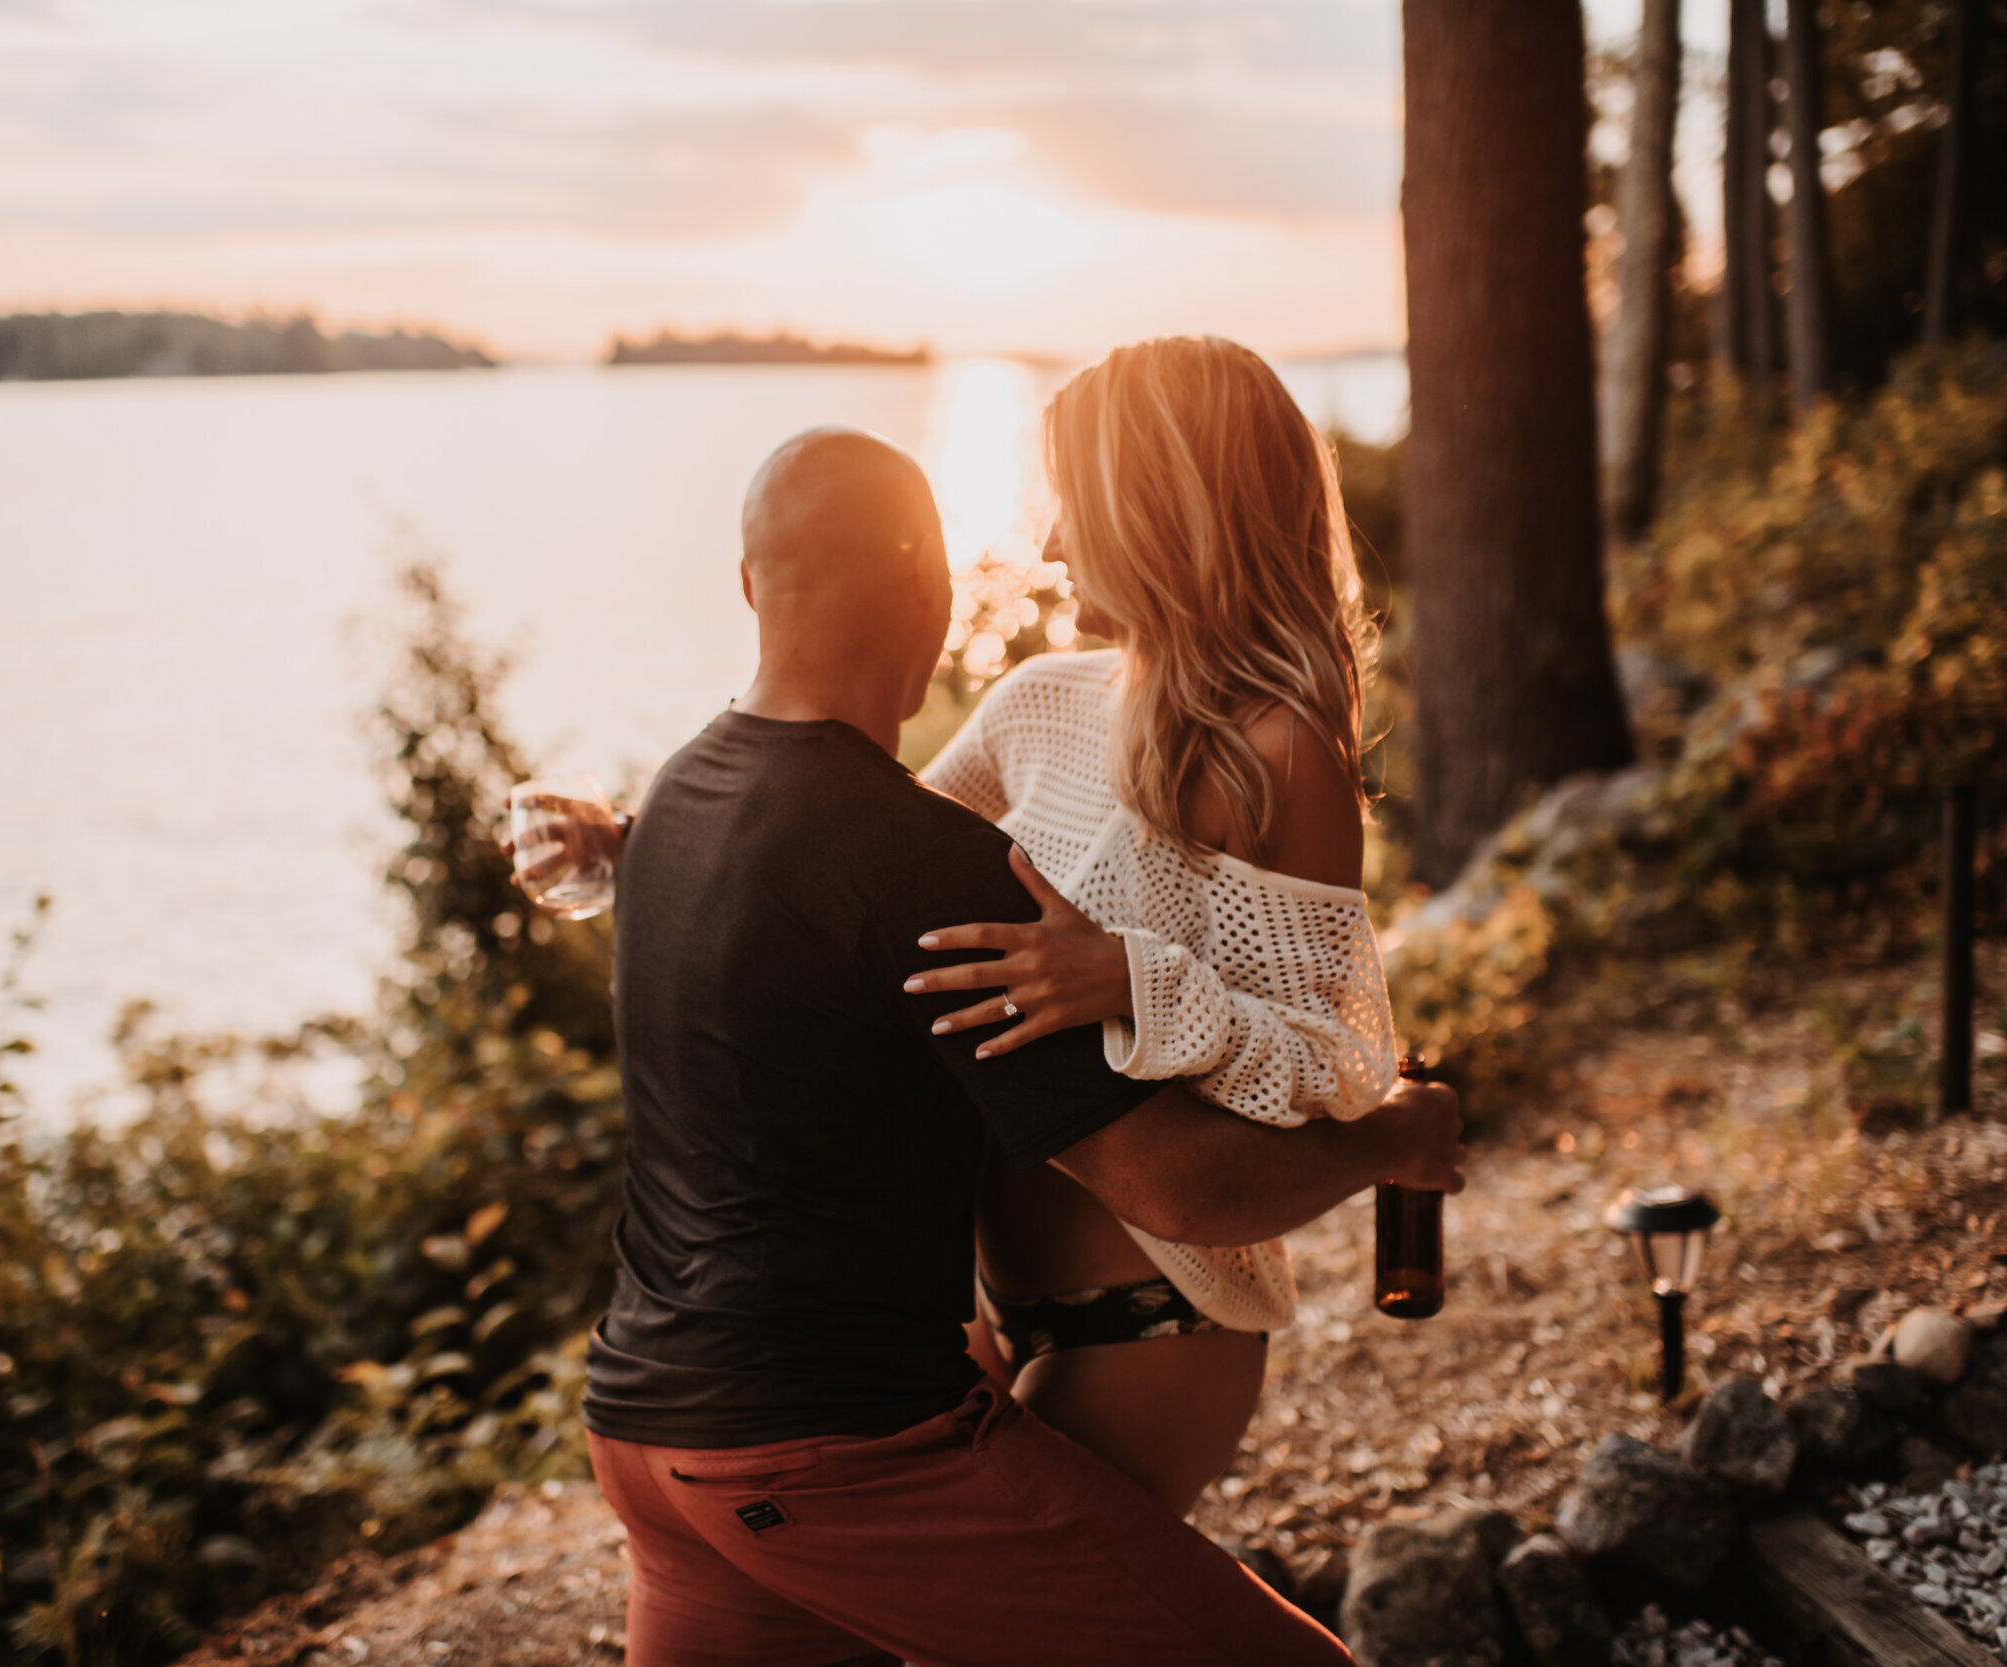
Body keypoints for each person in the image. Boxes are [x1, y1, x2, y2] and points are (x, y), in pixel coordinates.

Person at [580, 422, 1463, 1667]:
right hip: (832, 1452)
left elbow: (798, 882)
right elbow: (1177, 1184)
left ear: (745, 584)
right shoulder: (921, 859)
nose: (1048, 545)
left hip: (643, 1438)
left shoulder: (677, 799)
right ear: (931, 595)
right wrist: (1392, 1141)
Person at [903, 335, 1398, 1516]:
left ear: (1161, 513)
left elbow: (1325, 1069)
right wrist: (638, 839)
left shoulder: (1280, 757)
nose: (1053, 542)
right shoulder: (1036, 705)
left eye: (1074, 507)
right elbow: (861, 864)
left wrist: (1133, 976)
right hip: (974, 1301)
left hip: (1154, 1325)